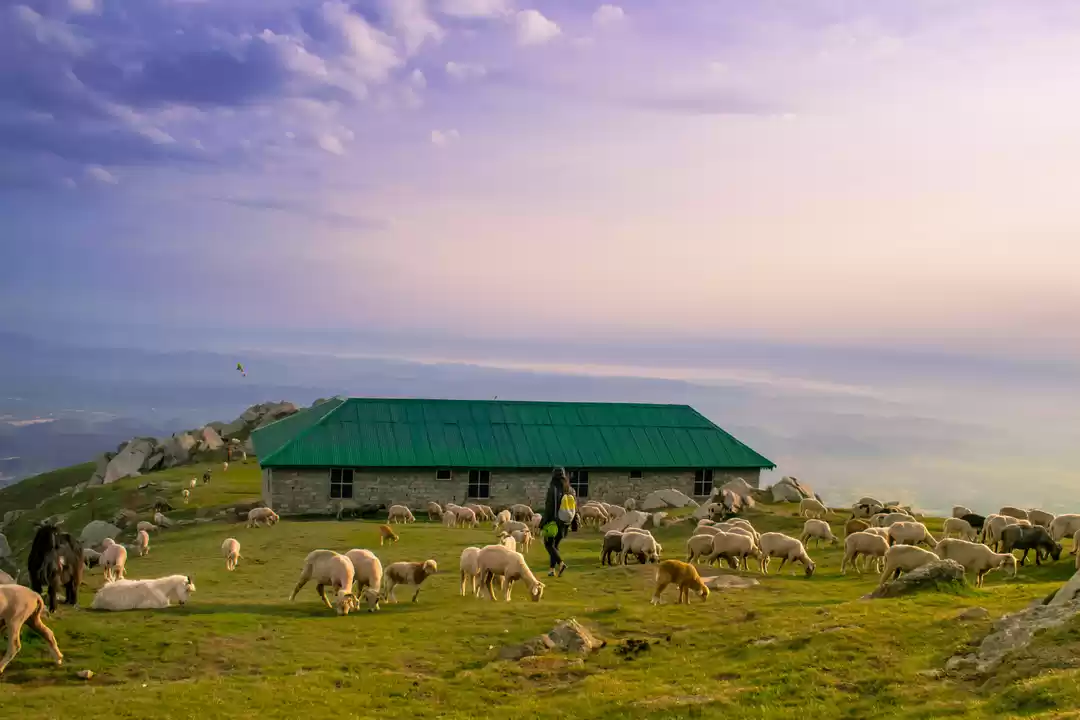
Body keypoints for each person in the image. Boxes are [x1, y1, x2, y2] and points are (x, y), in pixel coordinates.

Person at [540, 467, 579, 577]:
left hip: (554, 521)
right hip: (565, 522)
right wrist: (575, 522)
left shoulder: (553, 489)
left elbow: (549, 507)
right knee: (555, 545)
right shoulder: (570, 489)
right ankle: (552, 570)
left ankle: (561, 563)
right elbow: (575, 507)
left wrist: (543, 522)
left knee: (548, 544)